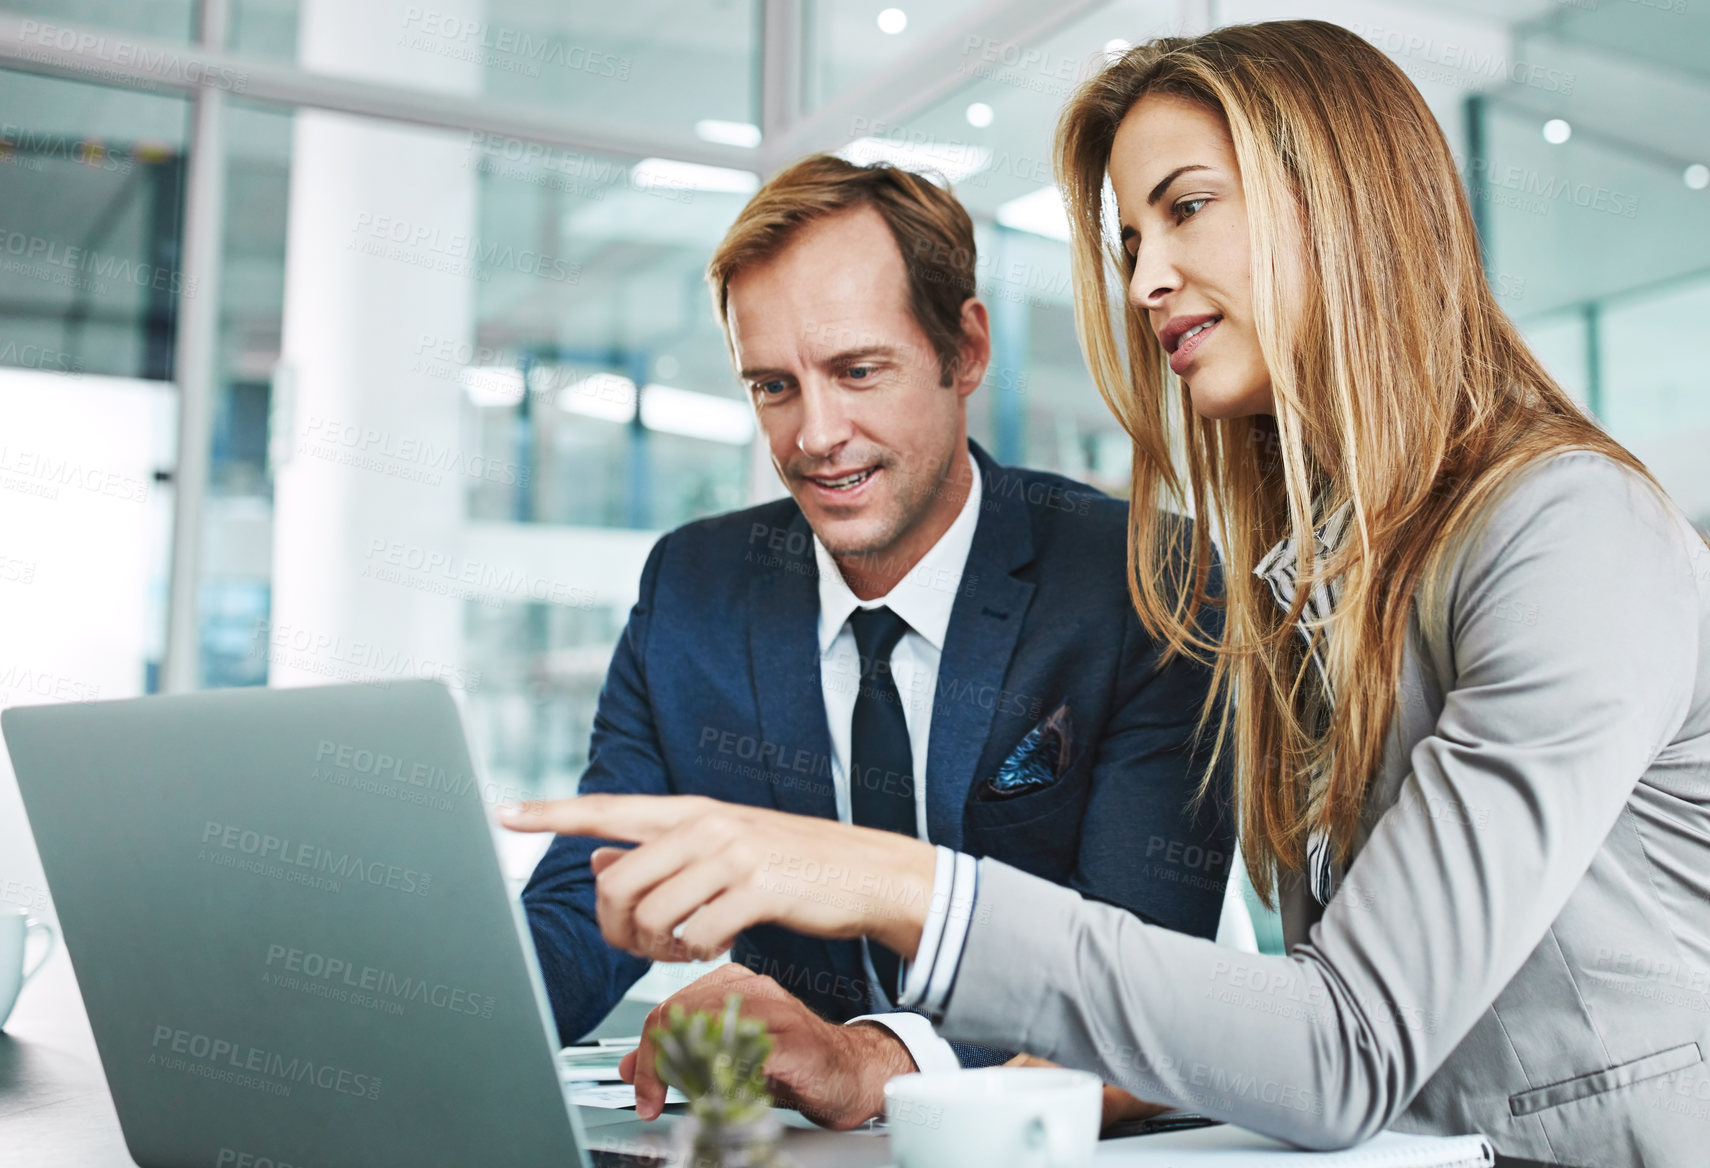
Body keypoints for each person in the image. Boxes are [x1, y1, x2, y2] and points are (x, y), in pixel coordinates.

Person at [503, 20, 1710, 1165]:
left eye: (1186, 208)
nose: (1145, 280)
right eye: (1134, 238)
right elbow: (1265, 1038)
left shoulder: (1569, 532)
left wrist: (881, 886)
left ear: (1343, 205)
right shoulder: (1311, 581)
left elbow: (1342, 1044)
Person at [519, 154, 1233, 1128]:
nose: (816, 435)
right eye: (773, 386)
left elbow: (1145, 956)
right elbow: (586, 904)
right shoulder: (693, 588)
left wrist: (878, 1060)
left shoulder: (1140, 579)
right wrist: (431, 1020)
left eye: (858, 372)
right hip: (797, 1148)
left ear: (966, 350)